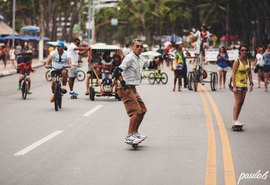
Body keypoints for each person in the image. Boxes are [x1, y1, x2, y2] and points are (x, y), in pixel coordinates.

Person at [115, 38, 159, 145]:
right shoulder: (129, 58)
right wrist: (124, 85)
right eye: (137, 46)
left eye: (141, 46)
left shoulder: (140, 58)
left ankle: (135, 133)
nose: (139, 48)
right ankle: (129, 135)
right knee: (135, 111)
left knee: (143, 110)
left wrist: (162, 57)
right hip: (126, 87)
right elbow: (116, 72)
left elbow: (152, 64)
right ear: (132, 47)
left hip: (133, 87)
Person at [231, 44, 253, 127]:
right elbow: (233, 74)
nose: (244, 52)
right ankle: (235, 120)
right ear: (240, 52)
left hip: (244, 84)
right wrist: (234, 86)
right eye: (242, 50)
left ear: (247, 52)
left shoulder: (248, 61)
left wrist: (251, 83)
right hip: (237, 84)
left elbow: (250, 73)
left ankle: (236, 119)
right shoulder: (237, 61)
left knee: (241, 103)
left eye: (245, 50)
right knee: (238, 102)